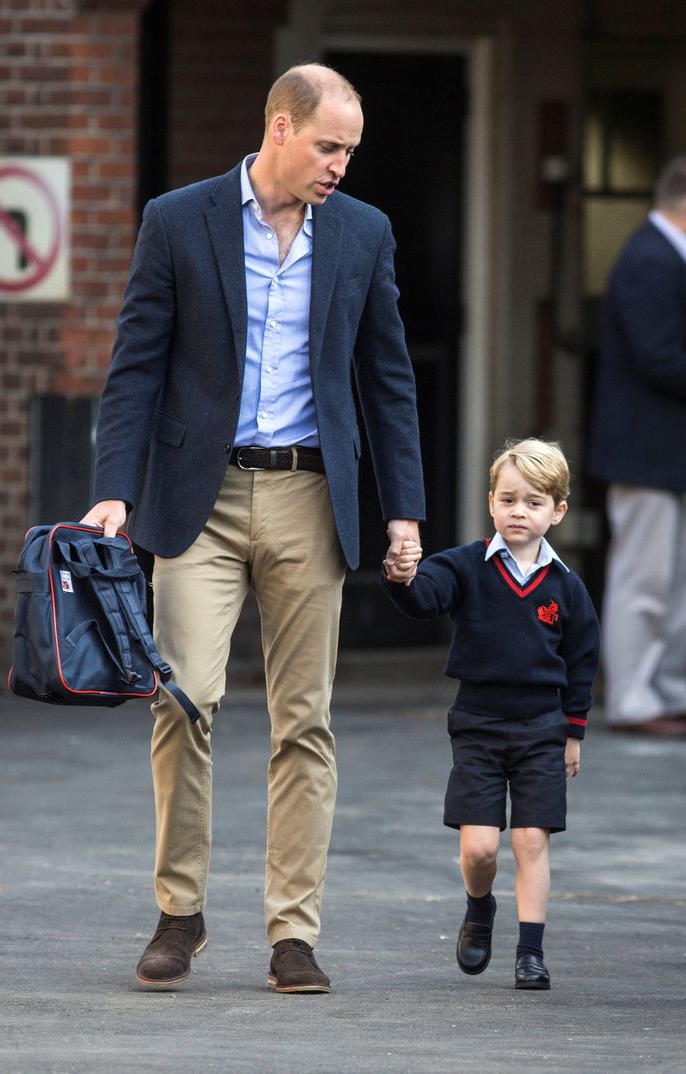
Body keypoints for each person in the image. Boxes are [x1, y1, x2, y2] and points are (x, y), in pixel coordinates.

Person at [81, 63, 425, 992]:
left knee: (304, 721)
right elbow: (135, 367)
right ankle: (180, 913)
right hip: (200, 498)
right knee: (184, 697)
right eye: (328, 146)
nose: (341, 166)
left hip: (314, 497)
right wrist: (114, 488)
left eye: (351, 150)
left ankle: (292, 934)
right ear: (279, 127)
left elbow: (387, 378)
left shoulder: (363, 233)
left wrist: (404, 509)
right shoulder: (177, 218)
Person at [381, 439, 599, 990]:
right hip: (478, 725)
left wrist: (573, 733)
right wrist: (404, 578)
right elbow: (424, 598)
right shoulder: (465, 566)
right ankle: (480, 907)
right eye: (508, 500)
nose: (519, 512)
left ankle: (531, 953)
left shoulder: (567, 589)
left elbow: (581, 662)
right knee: (479, 847)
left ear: (558, 512)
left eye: (533, 502)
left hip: (542, 729)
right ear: (490, 503)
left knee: (531, 840)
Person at [588, 156, 686, 737]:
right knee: (643, 579)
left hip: (663, 452)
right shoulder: (651, 258)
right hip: (645, 451)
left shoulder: (662, 255)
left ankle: (667, 691)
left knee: (671, 580)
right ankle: (632, 697)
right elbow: (659, 357)